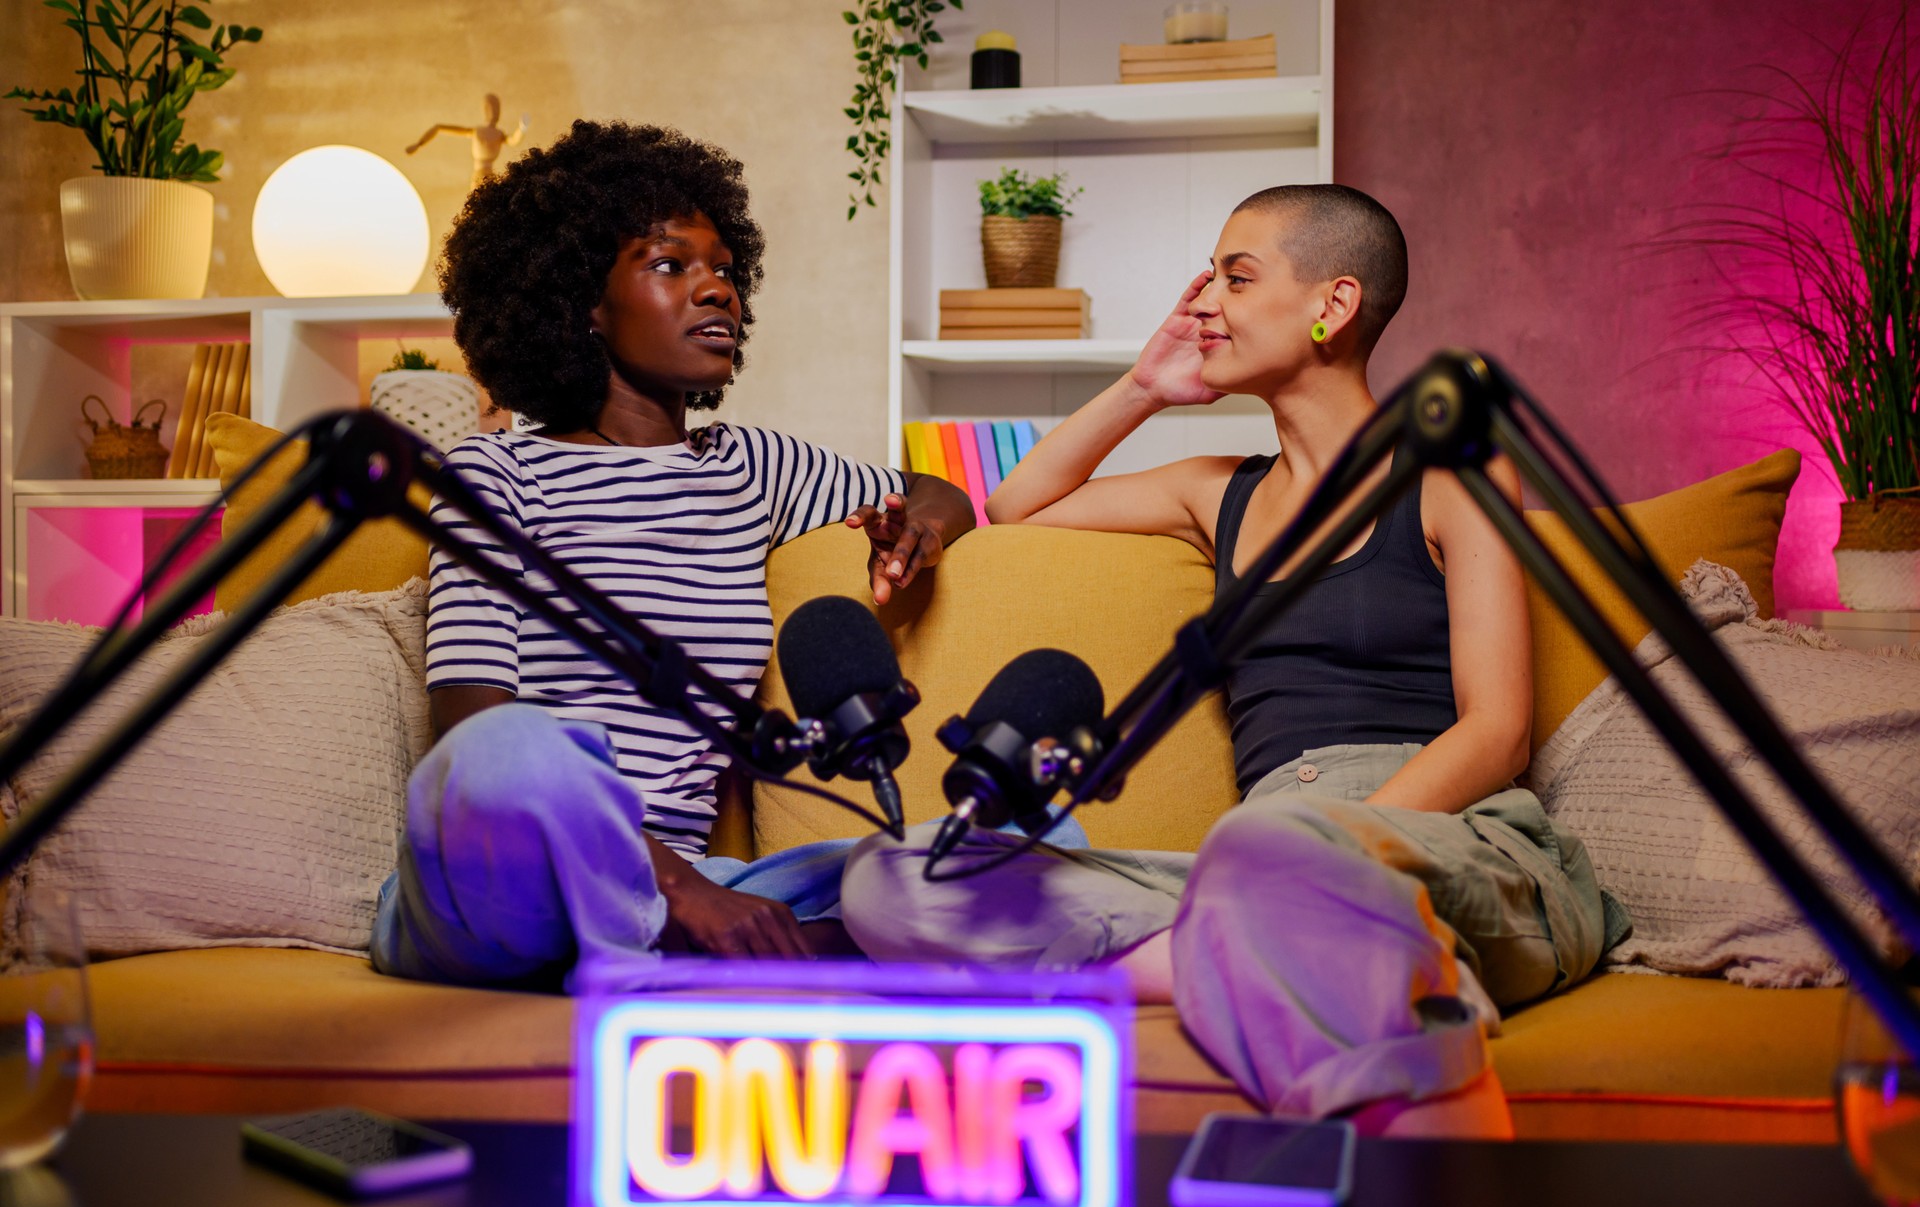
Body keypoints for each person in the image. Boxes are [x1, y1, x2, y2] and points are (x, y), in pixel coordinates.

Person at [839, 185, 1629, 1137]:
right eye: (1209, 275)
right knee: (897, 872)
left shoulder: (1454, 469)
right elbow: (1015, 511)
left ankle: (1291, 959)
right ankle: (1278, 951)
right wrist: (1143, 388)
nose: (1202, 301)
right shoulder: (1217, 495)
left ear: (1331, 307)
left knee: (1268, 853)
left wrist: (1325, 850)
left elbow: (1498, 729)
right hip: (1252, 862)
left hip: (1442, 833)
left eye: (1236, 276)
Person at [370, 120, 973, 989]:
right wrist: (683, 889)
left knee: (982, 856)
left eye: (724, 270)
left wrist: (922, 528)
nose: (716, 291)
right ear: (582, 301)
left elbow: (936, 491)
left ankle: (682, 951)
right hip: (504, 876)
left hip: (690, 888)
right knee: (523, 748)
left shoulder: (750, 467)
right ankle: (758, 953)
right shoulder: (494, 470)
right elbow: (474, 734)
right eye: (670, 265)